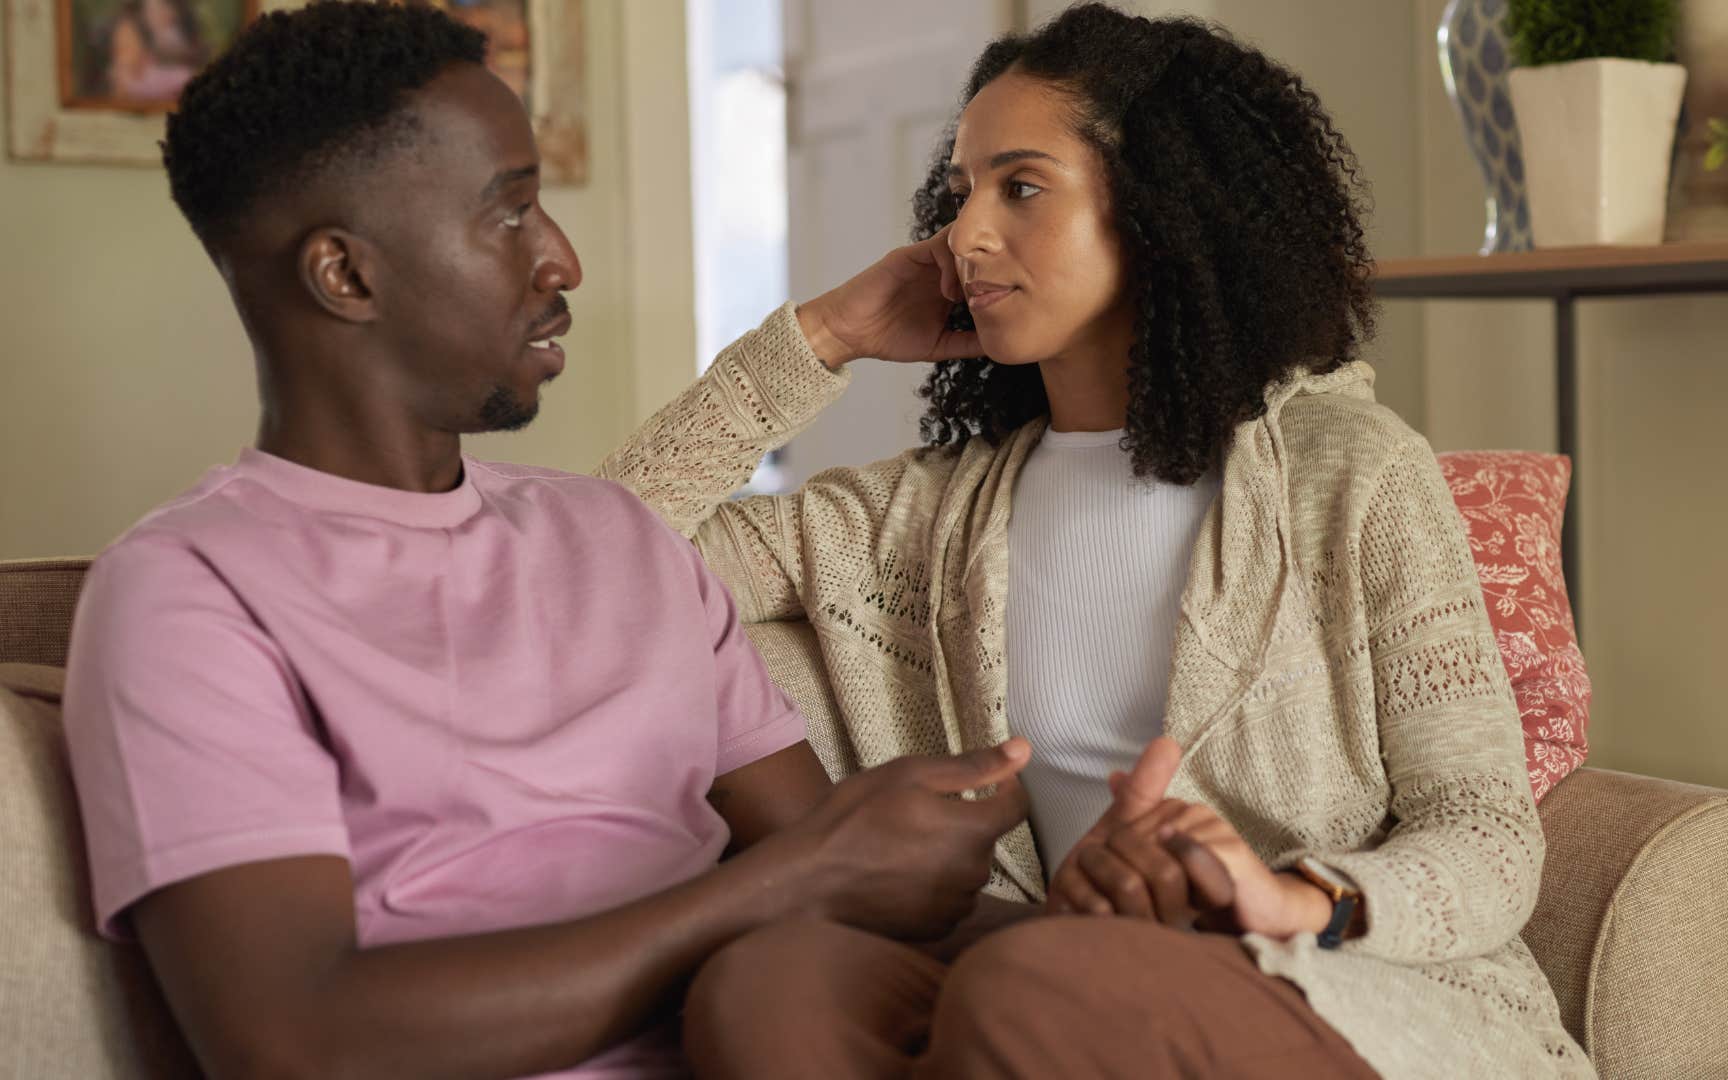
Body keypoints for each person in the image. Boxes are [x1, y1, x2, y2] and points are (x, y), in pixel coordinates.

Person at [598, 4, 1597, 1077]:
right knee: (772, 982)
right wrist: (821, 339)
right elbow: (598, 573)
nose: (964, 234)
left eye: (1019, 187)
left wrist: (1295, 895)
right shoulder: (918, 521)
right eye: (960, 192)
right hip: (1038, 967)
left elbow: (1488, 832)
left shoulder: (1352, 474)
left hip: (1329, 988)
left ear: (1160, 212)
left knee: (1031, 989)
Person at [61, 4, 1051, 1078]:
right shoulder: (188, 595)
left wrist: (1144, 926)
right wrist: (783, 887)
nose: (564, 262)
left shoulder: (617, 536)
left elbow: (854, 893)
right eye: (511, 214)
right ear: (345, 276)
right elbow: (295, 1038)